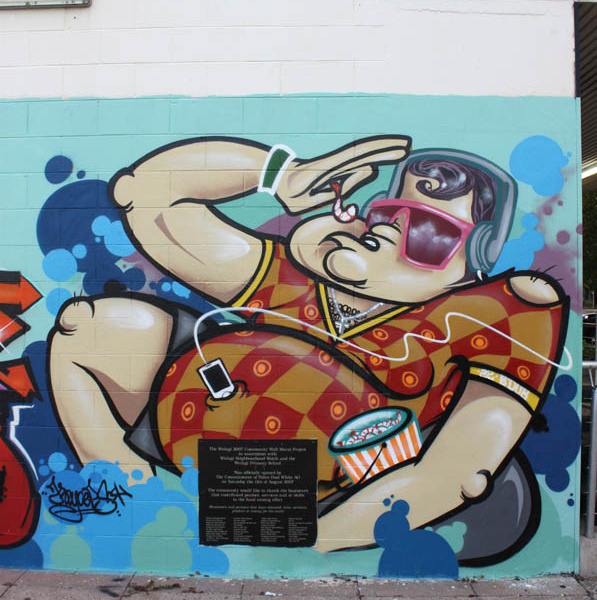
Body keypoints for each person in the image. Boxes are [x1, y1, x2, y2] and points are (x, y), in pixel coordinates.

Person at [47, 136, 568, 557]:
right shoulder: (287, 275)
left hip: (321, 490)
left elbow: (457, 470)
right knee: (89, 328)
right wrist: (280, 175)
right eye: (389, 213)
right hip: (175, 430)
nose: (392, 230)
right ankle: (133, 502)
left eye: (429, 231)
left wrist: (315, 545)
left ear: (472, 264)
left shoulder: (476, 319)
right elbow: (144, 195)